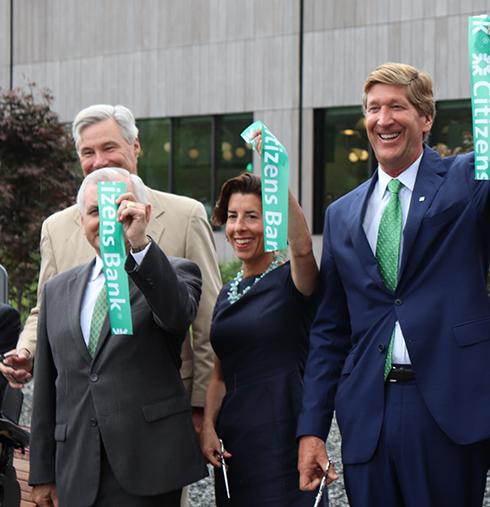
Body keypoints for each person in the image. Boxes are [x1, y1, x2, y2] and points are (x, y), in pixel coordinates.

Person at [296, 16, 490, 507]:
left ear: (426, 118)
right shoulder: (341, 213)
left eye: (397, 106)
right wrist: (312, 429)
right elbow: (330, 330)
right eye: (373, 108)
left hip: (448, 411)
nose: (383, 119)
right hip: (367, 416)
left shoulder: (466, 178)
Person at [0, 104, 220, 435]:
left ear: (135, 147)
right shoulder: (57, 227)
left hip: (161, 413)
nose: (99, 160)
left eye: (109, 147)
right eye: (87, 152)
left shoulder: (183, 216)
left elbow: (207, 321)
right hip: (81, 413)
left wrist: (202, 407)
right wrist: (26, 350)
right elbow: (44, 309)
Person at [29, 167, 207, 506]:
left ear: (144, 212)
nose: (108, 220)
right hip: (78, 468)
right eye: (96, 212)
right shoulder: (57, 291)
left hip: (148, 465)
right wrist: (42, 473)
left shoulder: (176, 272)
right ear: (81, 219)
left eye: (119, 207)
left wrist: (140, 245)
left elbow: (176, 316)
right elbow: (47, 387)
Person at [199, 166, 320, 506]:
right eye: (234, 216)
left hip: (284, 434)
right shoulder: (226, 293)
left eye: (252, 216)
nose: (240, 227)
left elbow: (303, 250)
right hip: (236, 441)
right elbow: (219, 376)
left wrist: (279, 179)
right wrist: (208, 425)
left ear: (274, 222)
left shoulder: (293, 281)